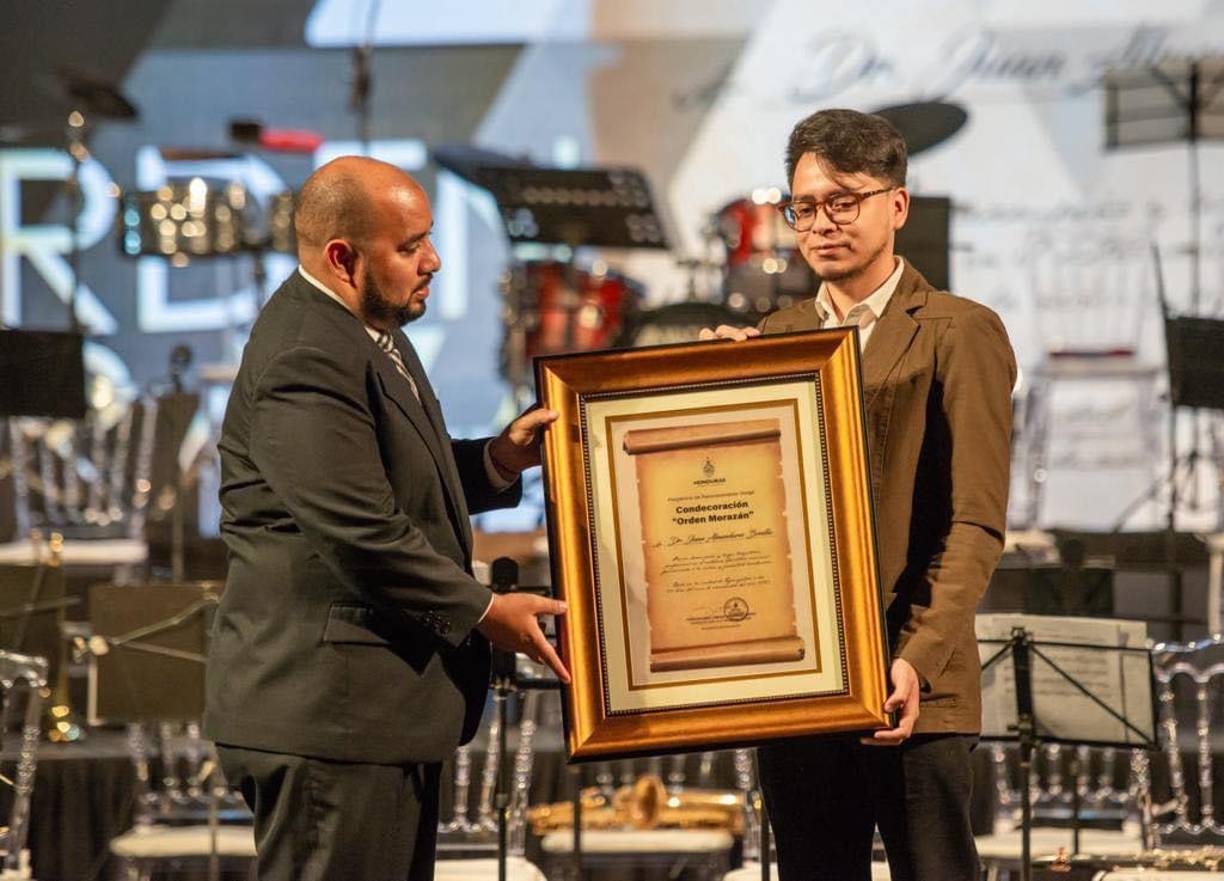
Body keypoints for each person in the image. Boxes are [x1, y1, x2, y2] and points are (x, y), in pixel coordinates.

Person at [204, 156, 569, 881]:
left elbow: (393, 478)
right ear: (343, 258)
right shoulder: (306, 352)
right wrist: (486, 609)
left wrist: (496, 458)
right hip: (330, 722)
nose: (433, 260)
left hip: (370, 719)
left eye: (428, 239)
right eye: (410, 247)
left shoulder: (365, 328)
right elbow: (359, 528)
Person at [701, 109, 1016, 881]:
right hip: (797, 687)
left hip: (914, 688)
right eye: (805, 206)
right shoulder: (773, 336)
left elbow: (975, 523)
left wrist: (912, 658)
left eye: (844, 200)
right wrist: (706, 400)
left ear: (896, 205)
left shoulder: (958, 330)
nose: (821, 223)